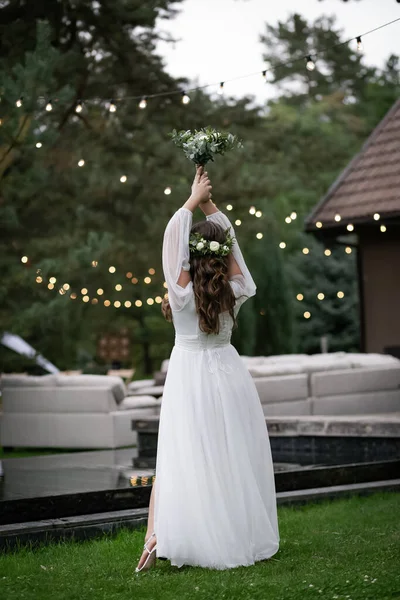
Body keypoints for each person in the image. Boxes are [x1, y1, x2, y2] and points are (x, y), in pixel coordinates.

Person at [135, 166, 280, 572]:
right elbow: (233, 250)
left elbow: (171, 244)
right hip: (228, 373)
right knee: (230, 453)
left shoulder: (179, 293)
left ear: (190, 256)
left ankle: (156, 534)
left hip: (189, 375)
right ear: (222, 256)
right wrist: (211, 206)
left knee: (181, 455)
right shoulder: (236, 290)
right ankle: (232, 533)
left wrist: (190, 202)